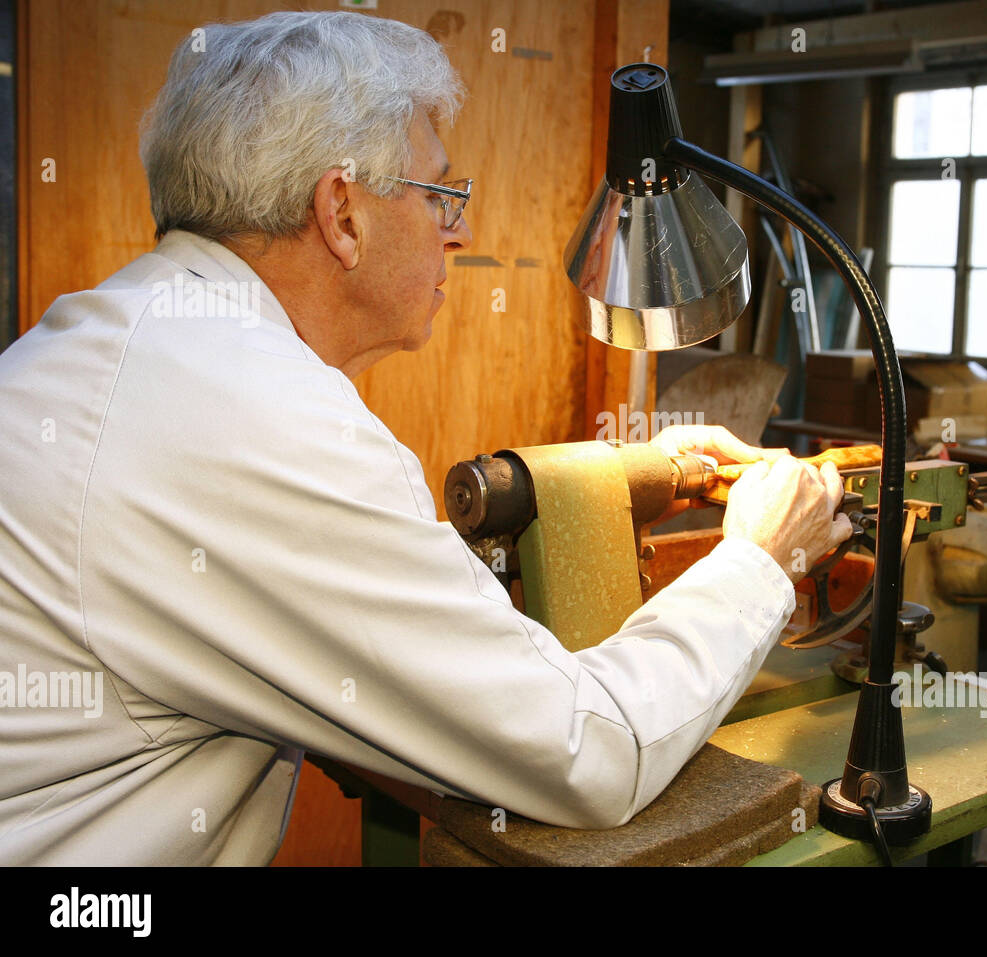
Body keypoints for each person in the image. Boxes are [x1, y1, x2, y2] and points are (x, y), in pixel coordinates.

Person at [0, 11, 851, 864]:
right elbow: (586, 750)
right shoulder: (266, 420)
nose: (463, 233)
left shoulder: (112, 335)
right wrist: (761, 560)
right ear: (342, 212)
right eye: (442, 194)